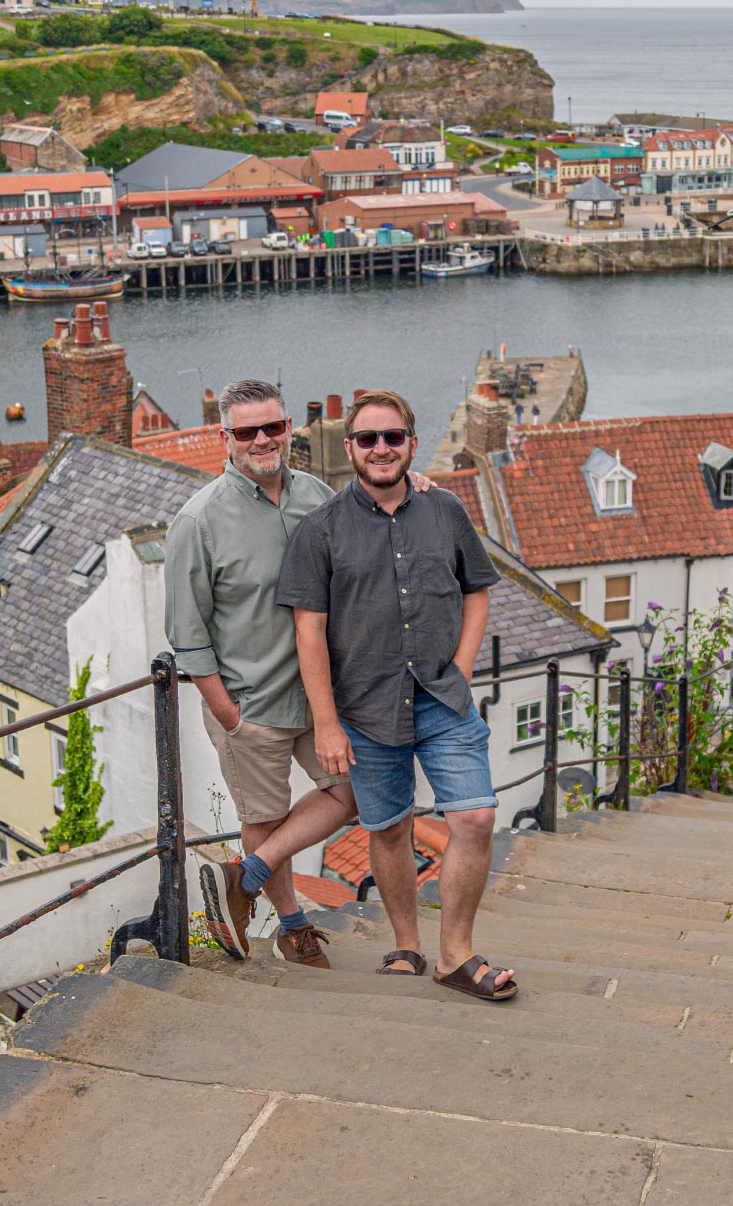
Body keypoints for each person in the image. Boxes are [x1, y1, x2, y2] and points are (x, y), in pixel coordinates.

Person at [165, 379, 435, 967]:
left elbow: (374, 517)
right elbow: (187, 633)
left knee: (355, 791)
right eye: (247, 431)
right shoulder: (198, 521)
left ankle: (245, 875)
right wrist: (224, 710)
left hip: (321, 700)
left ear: (290, 429)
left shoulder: (315, 493)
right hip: (250, 704)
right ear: (225, 438)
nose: (263, 440)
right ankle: (292, 927)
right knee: (262, 818)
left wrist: (414, 485)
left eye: (274, 427)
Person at [277, 389, 518, 1001]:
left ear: (412, 443)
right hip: (364, 706)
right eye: (367, 439)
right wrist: (326, 724)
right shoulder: (321, 529)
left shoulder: (446, 511)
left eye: (392, 437)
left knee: (476, 816)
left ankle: (455, 956)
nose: (380, 448)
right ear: (350, 449)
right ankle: (406, 945)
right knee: (388, 829)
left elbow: (476, 590)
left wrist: (461, 668)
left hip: (441, 697)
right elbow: (309, 631)